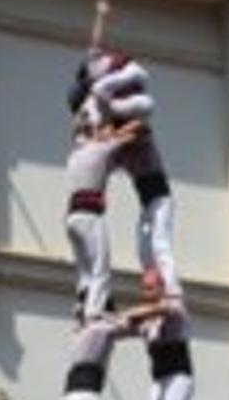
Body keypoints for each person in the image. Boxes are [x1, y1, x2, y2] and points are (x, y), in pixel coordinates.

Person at [77, 45, 183, 305]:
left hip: (160, 199)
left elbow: (134, 130)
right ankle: (155, 289)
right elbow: (103, 155)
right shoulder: (122, 145)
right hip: (148, 201)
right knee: (145, 251)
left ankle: (173, 292)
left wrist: (104, 123)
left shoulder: (139, 133)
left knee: (160, 244)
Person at [63, 101, 144, 322]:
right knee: (101, 265)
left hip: (72, 218)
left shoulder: (74, 156)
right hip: (90, 215)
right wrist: (116, 130)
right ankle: (95, 310)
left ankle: (83, 303)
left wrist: (106, 134)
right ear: (91, 132)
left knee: (85, 269)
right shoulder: (98, 149)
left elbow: (106, 165)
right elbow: (134, 132)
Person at [136, 267, 194, 400]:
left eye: (150, 288)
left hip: (177, 376)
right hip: (159, 378)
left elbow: (167, 309)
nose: (145, 293)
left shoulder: (174, 309)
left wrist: (129, 315)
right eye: (143, 289)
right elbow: (125, 326)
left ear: (161, 288)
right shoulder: (147, 322)